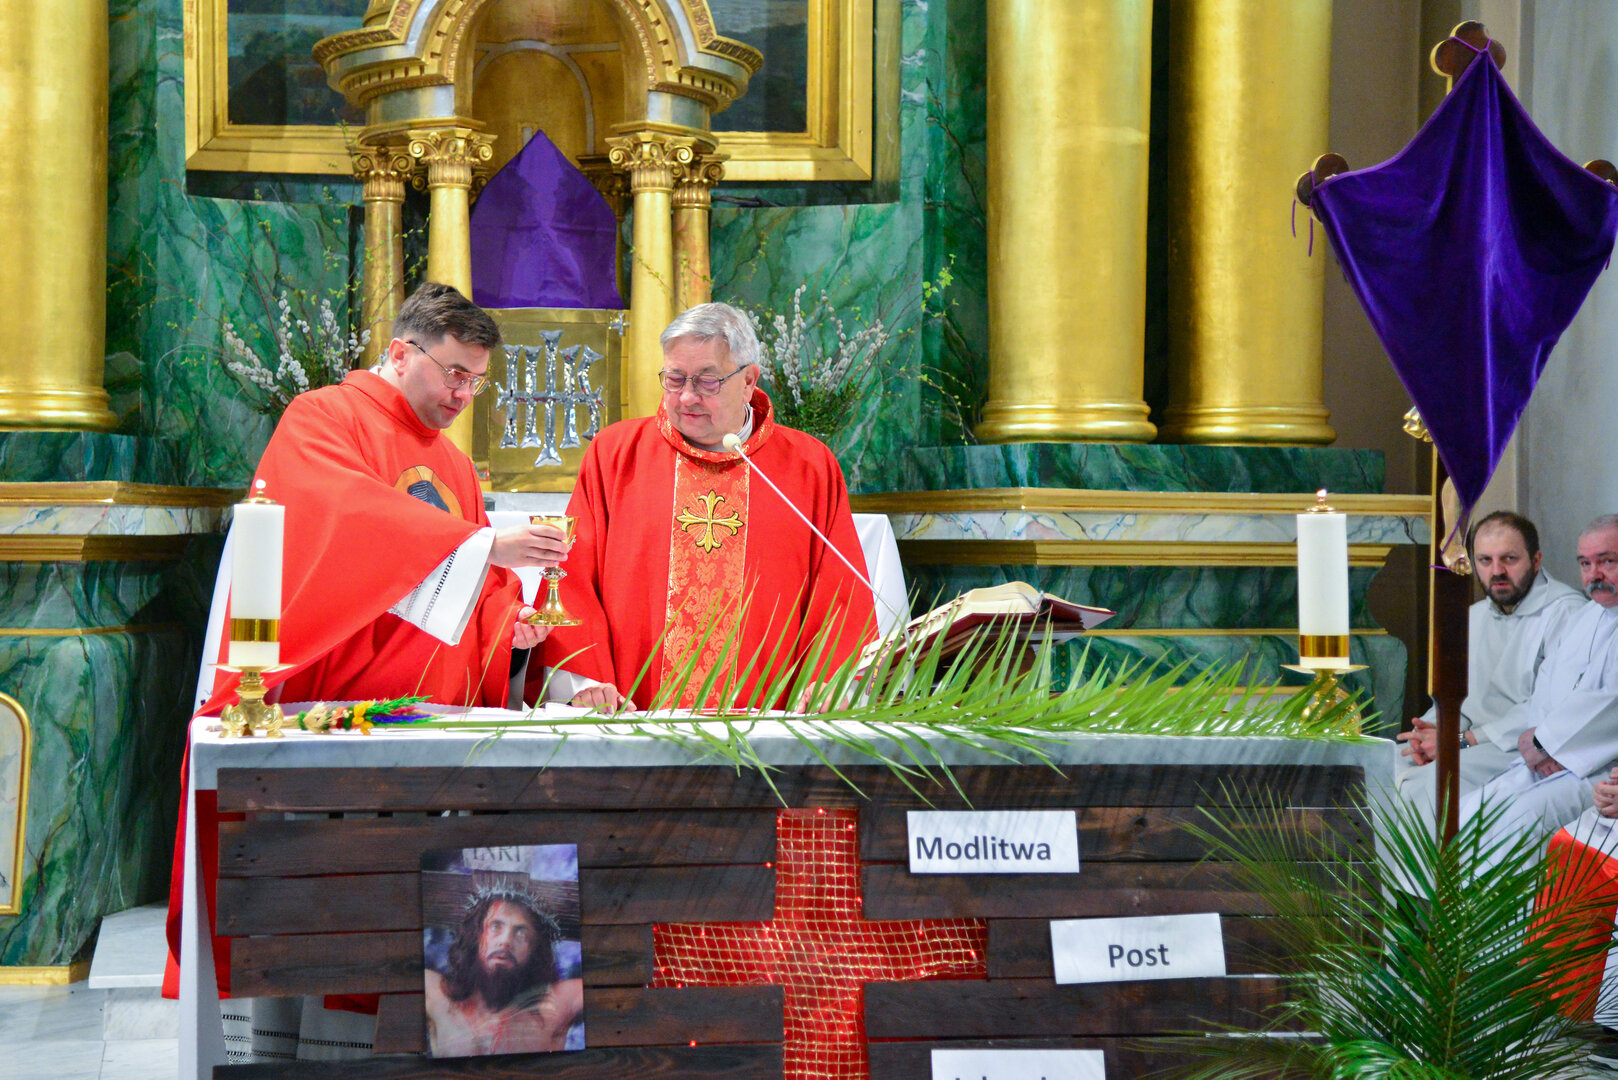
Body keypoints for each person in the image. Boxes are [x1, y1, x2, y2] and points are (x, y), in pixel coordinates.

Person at [202, 281, 568, 712]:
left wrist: (511, 626)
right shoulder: (322, 417)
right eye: (454, 375)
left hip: (443, 710)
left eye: (476, 382)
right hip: (338, 708)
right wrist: (483, 546)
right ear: (399, 355)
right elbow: (349, 517)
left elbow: (482, 591)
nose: (465, 396)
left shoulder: (457, 464)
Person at [529, 301, 877, 711]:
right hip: (631, 718)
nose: (687, 397)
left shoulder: (808, 466)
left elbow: (840, 595)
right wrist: (584, 683)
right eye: (674, 379)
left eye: (707, 382)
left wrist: (830, 686)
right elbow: (572, 577)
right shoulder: (615, 454)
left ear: (748, 381)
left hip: (765, 728)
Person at [1396, 511, 1584, 819]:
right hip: (1467, 741)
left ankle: (1440, 856)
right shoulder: (1474, 615)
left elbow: (1552, 705)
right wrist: (1430, 733)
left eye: (1509, 559)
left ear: (1536, 560)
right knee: (1387, 767)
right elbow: (1455, 696)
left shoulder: (1569, 613)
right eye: (1485, 560)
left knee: (1430, 784)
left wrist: (1460, 741)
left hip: (1519, 746)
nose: (1497, 571)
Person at [1459, 514, 1618, 866]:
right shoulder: (1587, 617)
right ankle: (1464, 907)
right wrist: (1536, 744)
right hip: (1554, 757)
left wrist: (1546, 744)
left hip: (1600, 769)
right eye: (1585, 564)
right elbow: (1548, 683)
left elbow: (1609, 704)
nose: (1594, 575)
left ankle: (1520, 908)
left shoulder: (1569, 608)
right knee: (1472, 810)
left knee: (1520, 821)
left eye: (1607, 561)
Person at [425, 889, 584, 1057]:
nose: (506, 941)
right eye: (495, 927)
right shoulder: (439, 996)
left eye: (521, 932)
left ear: (534, 949)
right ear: (477, 937)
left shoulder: (554, 1004)